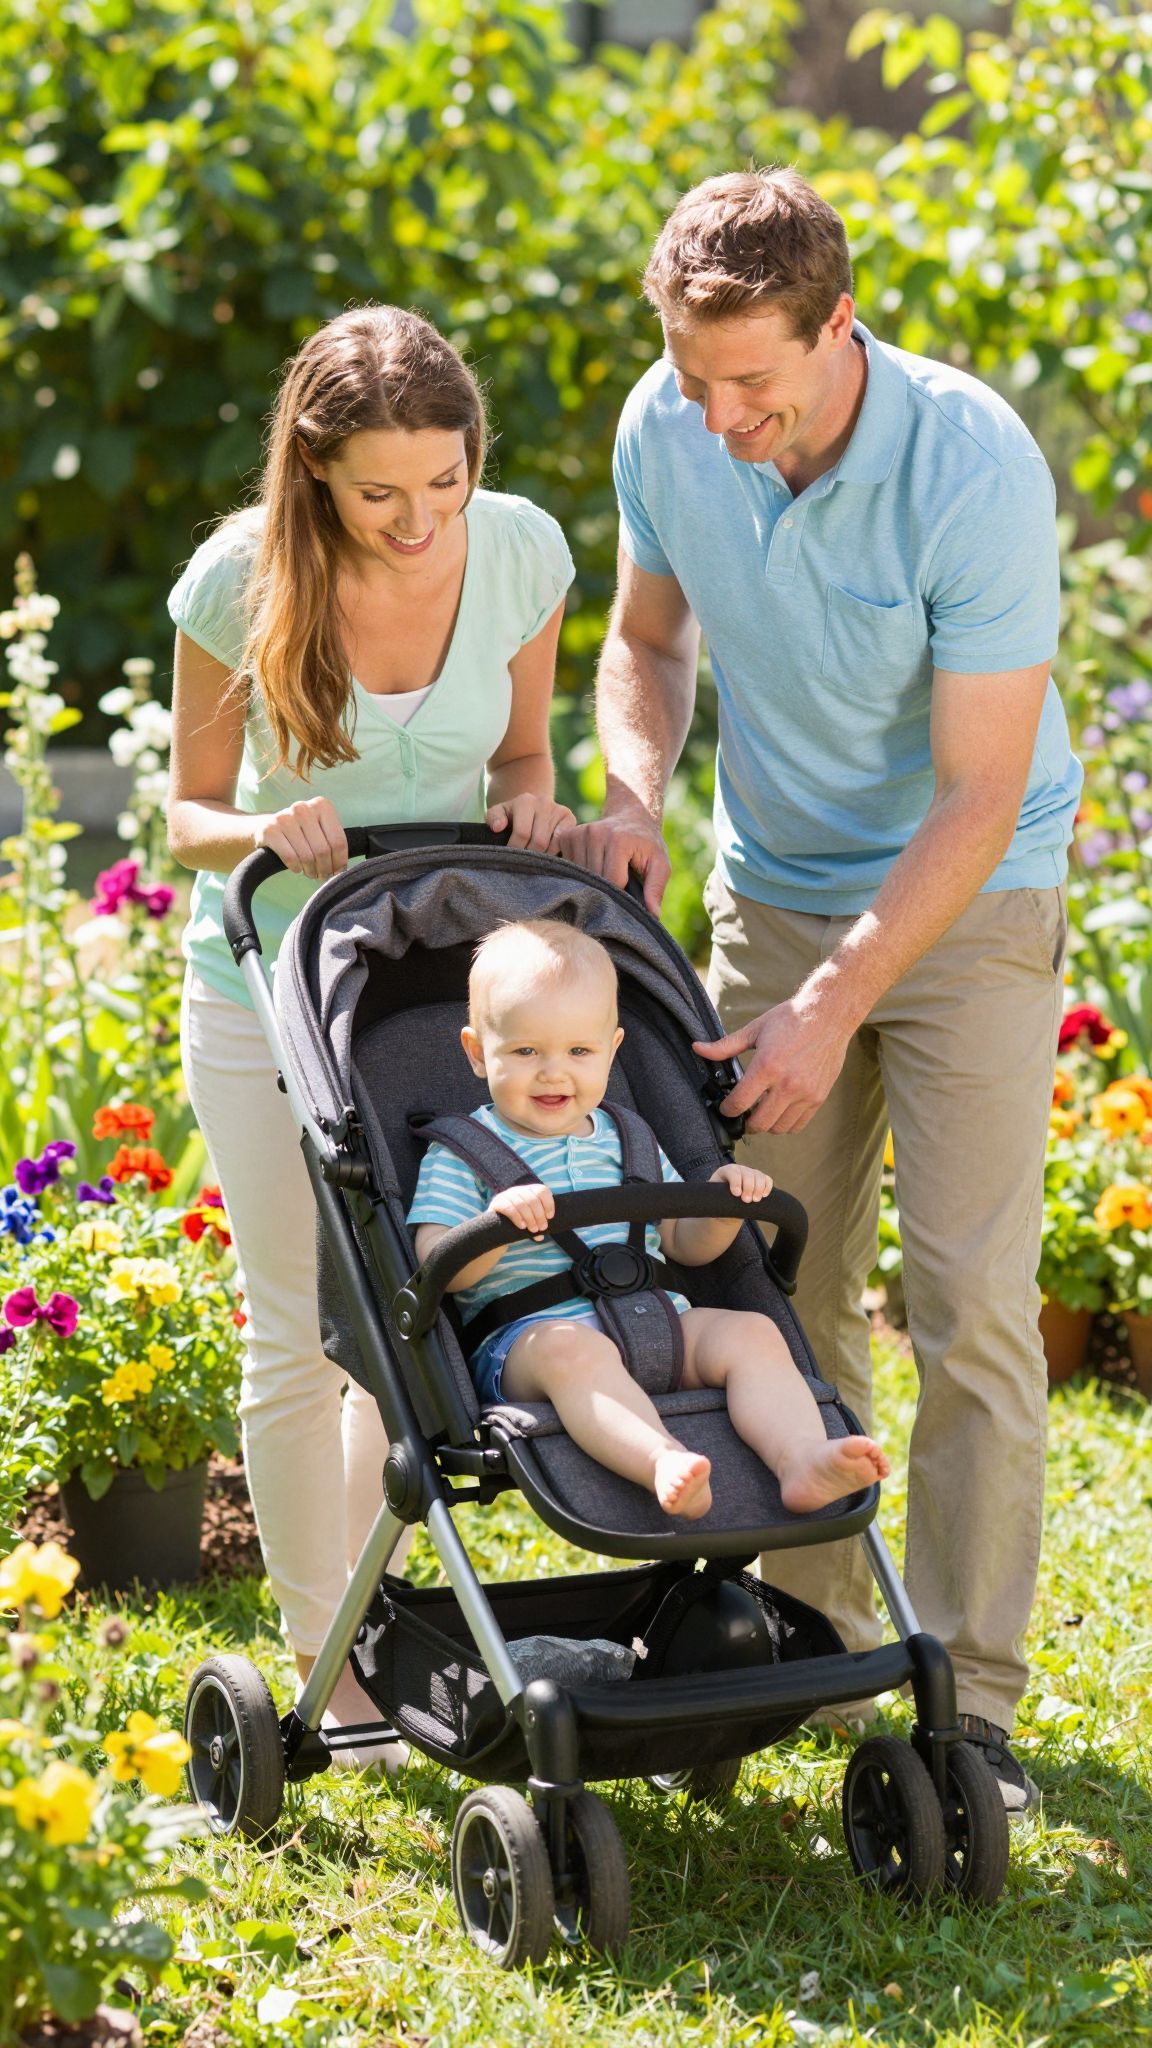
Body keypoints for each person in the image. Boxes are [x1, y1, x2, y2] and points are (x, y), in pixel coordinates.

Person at [560, 169, 1081, 1810]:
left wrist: (837, 1002)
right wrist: (633, 791)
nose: (720, 419)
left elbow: (979, 792)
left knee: (969, 1300)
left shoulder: (970, 464)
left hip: (968, 897)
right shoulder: (669, 423)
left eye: (753, 384)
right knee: (768, 1283)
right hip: (773, 893)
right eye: (693, 377)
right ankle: (805, 1642)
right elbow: (646, 643)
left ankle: (967, 1706)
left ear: (838, 324)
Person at [167, 305, 576, 1757]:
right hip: (267, 994)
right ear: (316, 473)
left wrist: (534, 803)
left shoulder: (521, 553)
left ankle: (369, 1615)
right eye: (379, 493)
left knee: (394, 1334)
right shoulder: (240, 580)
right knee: (297, 1327)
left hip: (422, 996)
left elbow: (521, 752)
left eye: (446, 482)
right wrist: (261, 830)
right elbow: (183, 812)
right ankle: (318, 1657)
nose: (419, 522)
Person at [408, 919, 889, 1519]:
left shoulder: (630, 1137)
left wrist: (723, 1207)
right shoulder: (462, 1151)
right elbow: (437, 1266)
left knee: (752, 1334)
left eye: (579, 1052)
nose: (554, 1072)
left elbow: (684, 1246)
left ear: (612, 1050)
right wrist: (494, 1226)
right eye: (525, 1051)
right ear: (478, 1053)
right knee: (573, 1353)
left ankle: (800, 1458)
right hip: (531, 1342)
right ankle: (662, 1460)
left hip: (658, 1320)